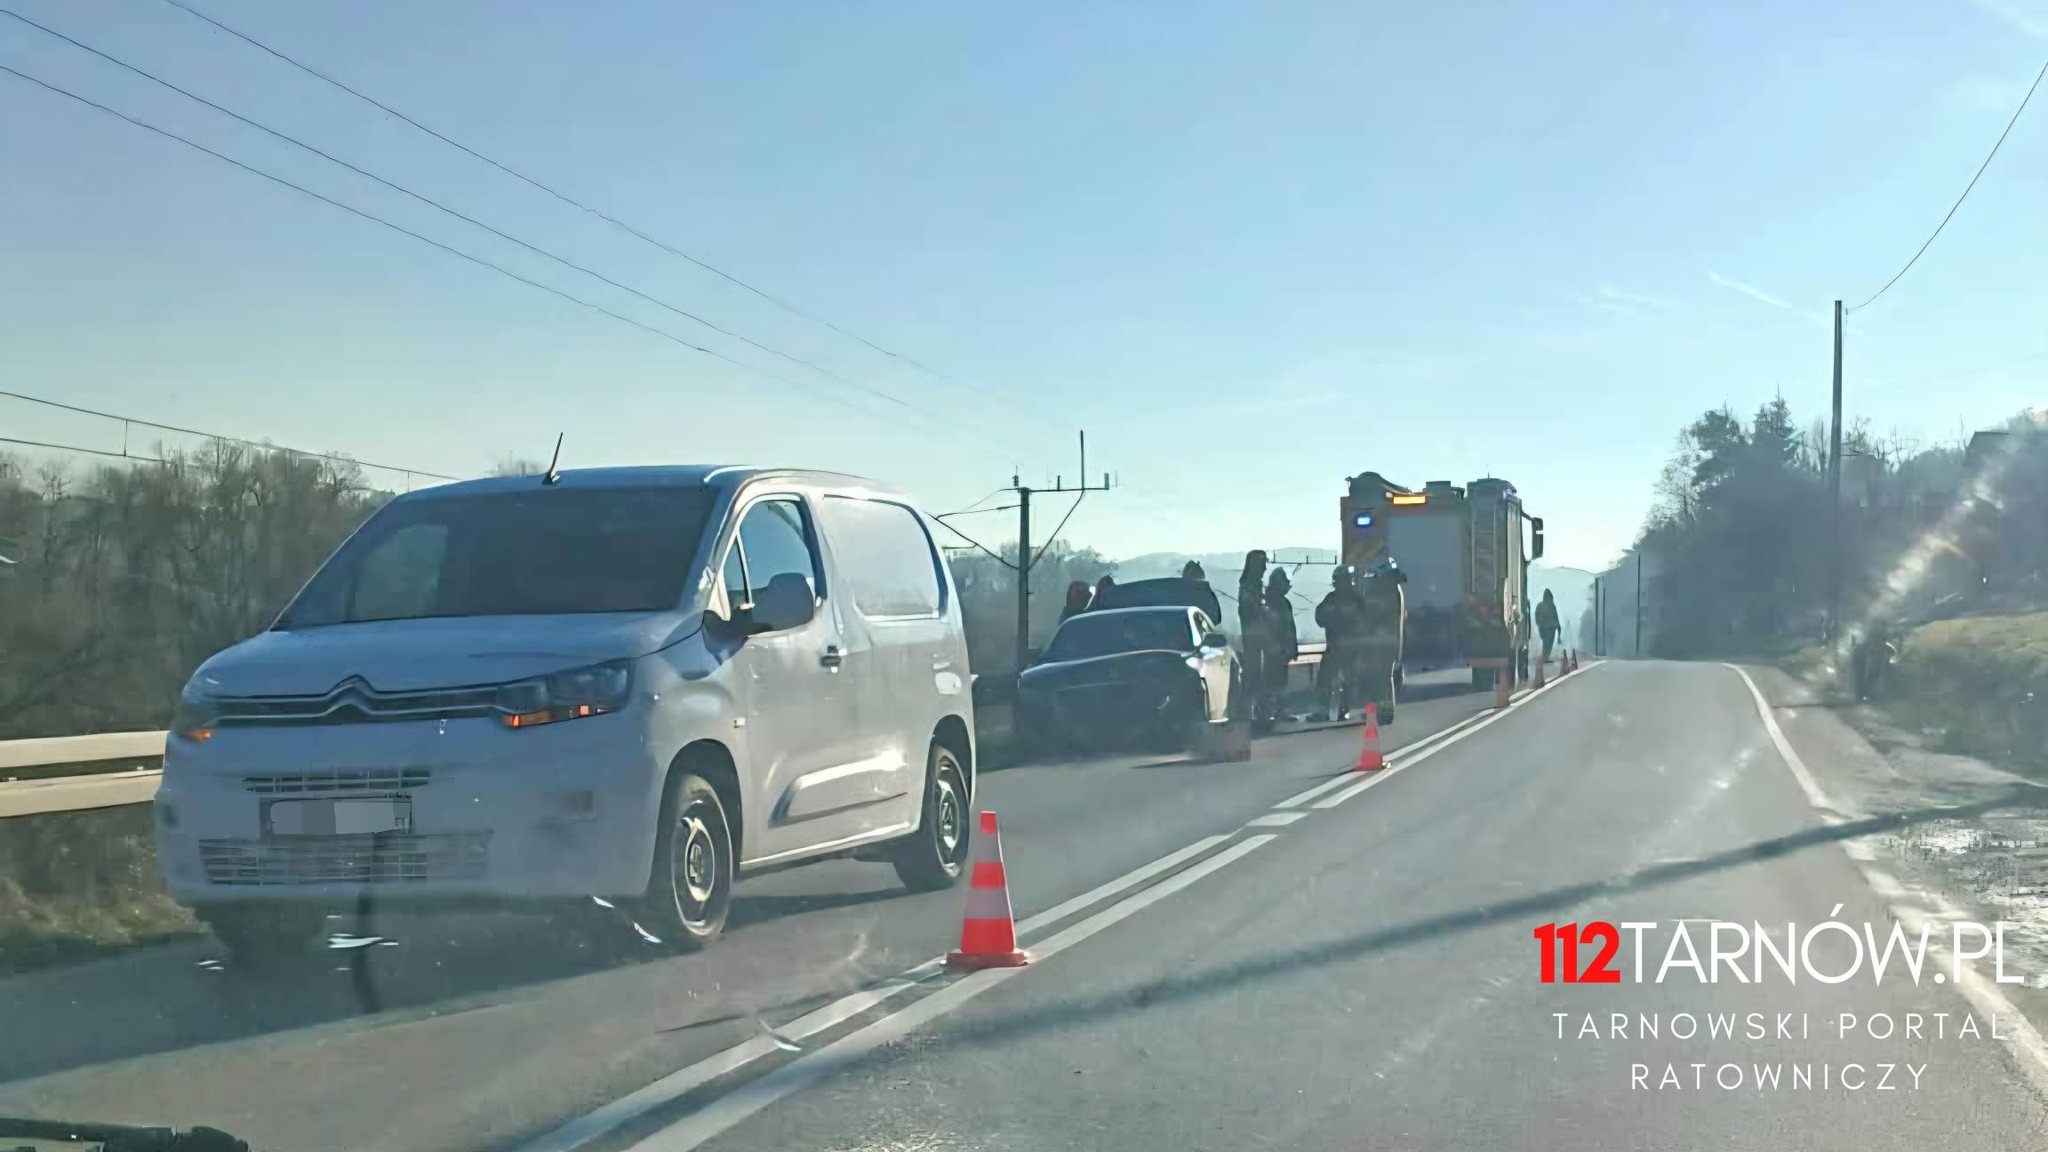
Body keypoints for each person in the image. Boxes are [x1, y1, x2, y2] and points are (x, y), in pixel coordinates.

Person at [1353, 557, 1405, 725]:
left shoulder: (1382, 593)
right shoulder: (1395, 590)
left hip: (1380, 643)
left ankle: (1382, 711)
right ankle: (1380, 710)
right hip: (1389, 642)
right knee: (1382, 677)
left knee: (1380, 677)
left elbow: (1368, 617)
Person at [1314, 566, 1362, 722]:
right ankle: (1321, 710)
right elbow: (1320, 618)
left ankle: (1344, 709)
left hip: (1351, 648)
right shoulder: (1331, 599)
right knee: (1324, 679)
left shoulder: (1357, 600)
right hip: (1333, 647)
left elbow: (1364, 623)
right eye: (1339, 580)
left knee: (1349, 680)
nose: (1342, 583)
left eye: (1344, 580)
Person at [1237, 551, 1271, 729]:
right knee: (1253, 676)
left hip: (1259, 637)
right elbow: (1249, 610)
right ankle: (1249, 714)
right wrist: (1265, 611)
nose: (1265, 567)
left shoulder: (1255, 585)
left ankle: (1258, 712)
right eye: (1262, 563)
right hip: (1253, 638)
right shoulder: (1248, 586)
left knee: (1259, 677)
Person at [1261, 567, 1298, 724]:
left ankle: (1277, 711)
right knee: (1273, 682)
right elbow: (1274, 627)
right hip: (1273, 650)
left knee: (1279, 681)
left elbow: (1290, 628)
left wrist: (1292, 648)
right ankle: (1270, 711)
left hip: (1281, 649)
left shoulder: (1280, 602)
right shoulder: (1271, 602)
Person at [1535, 588, 1561, 668]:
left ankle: (1545, 657)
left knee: (1547, 643)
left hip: (1548, 628)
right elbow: (1556, 619)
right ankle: (1545, 657)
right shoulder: (1549, 606)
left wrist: (1558, 631)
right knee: (1547, 643)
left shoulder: (1543, 606)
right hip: (1548, 628)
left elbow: (1556, 618)